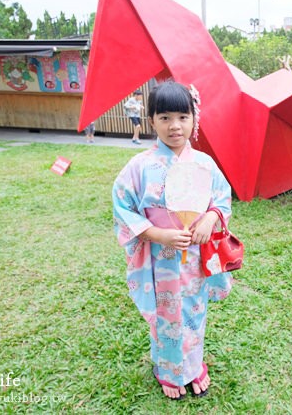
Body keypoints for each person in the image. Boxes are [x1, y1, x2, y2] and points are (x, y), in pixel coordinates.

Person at [112, 80, 233, 400]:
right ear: (151, 120)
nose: (174, 126)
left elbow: (222, 199)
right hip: (158, 260)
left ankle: (192, 368)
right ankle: (168, 371)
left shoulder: (205, 164)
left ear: (194, 119)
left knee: (193, 312)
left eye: (182, 116)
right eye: (164, 117)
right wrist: (157, 233)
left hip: (193, 259)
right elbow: (122, 207)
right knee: (166, 315)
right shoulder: (139, 167)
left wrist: (210, 218)